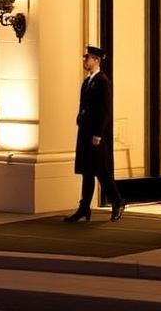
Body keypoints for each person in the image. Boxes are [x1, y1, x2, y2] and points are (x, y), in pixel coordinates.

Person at [65, 45, 126, 223]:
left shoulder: (103, 81)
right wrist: (79, 117)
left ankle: (117, 201)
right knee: (87, 171)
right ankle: (84, 208)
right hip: (85, 131)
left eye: (88, 58)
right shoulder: (87, 81)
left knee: (101, 171)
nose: (85, 60)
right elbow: (84, 105)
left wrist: (98, 133)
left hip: (96, 135)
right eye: (85, 57)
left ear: (96, 60)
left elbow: (106, 110)